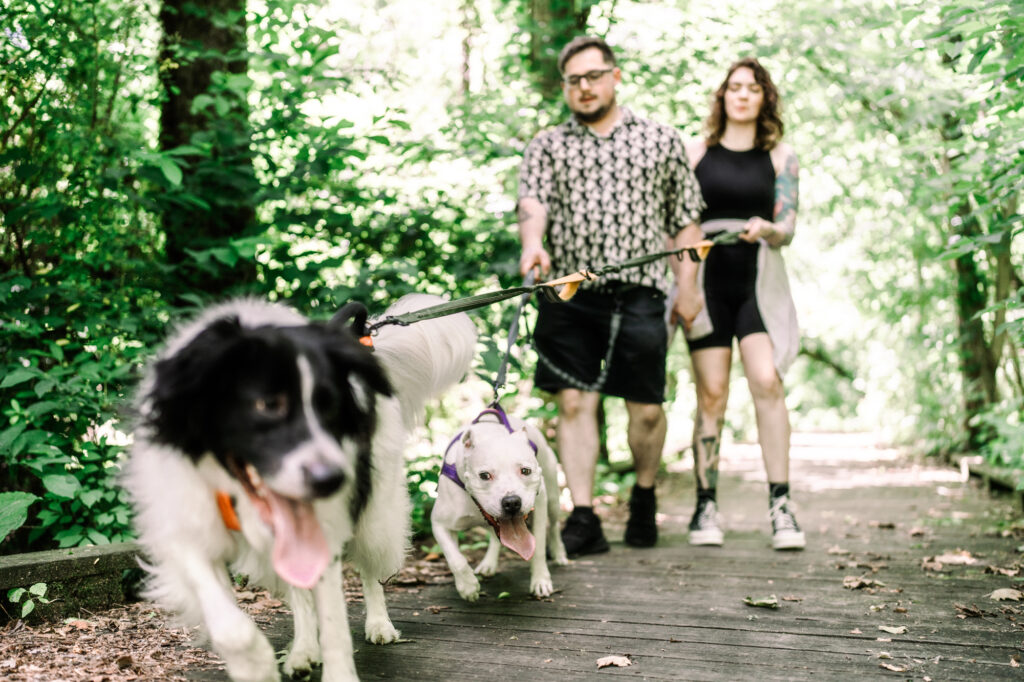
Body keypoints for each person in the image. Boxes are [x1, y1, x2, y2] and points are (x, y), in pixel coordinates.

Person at [517, 35, 705, 556]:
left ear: (615, 76)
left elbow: (685, 221)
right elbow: (532, 203)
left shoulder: (660, 140)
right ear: (565, 87)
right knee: (574, 401)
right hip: (569, 292)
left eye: (593, 76)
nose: (584, 87)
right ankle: (583, 515)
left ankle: (643, 495)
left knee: (645, 410)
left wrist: (688, 288)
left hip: (642, 293)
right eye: (574, 80)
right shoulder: (547, 145)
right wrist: (533, 245)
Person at [681, 57, 804, 550]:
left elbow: (788, 227)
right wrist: (684, 288)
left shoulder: (781, 157)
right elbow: (680, 223)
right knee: (711, 394)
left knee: (767, 381)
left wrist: (769, 228)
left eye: (753, 88)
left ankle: (782, 505)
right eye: (735, 87)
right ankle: (705, 505)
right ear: (723, 95)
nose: (743, 95)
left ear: (764, 98)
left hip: (758, 281)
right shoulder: (695, 152)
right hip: (706, 281)